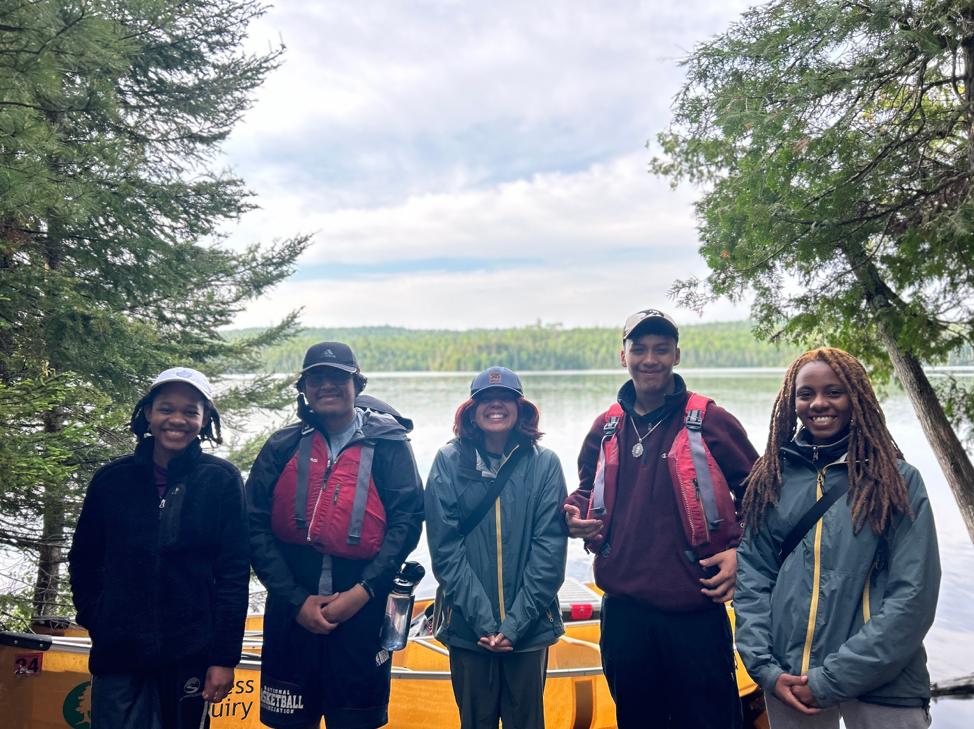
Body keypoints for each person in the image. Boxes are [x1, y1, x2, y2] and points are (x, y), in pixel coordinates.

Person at [563, 309, 758, 729]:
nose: (649, 359)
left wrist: (742, 554)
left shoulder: (710, 420)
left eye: (661, 349)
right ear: (623, 357)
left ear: (677, 355)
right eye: (639, 349)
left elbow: (763, 497)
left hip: (695, 613)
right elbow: (585, 490)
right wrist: (571, 515)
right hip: (624, 614)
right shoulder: (606, 427)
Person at [734, 347, 940, 728]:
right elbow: (752, 579)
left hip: (885, 684)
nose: (819, 403)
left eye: (834, 391)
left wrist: (831, 679)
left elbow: (913, 596)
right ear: (790, 401)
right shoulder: (772, 479)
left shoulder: (897, 480)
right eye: (805, 393)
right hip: (789, 680)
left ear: (857, 398)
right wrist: (765, 667)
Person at [247, 342, 424, 729]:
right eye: (317, 378)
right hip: (291, 611)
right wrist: (295, 600)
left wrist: (362, 593)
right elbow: (255, 526)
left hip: (363, 612)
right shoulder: (283, 446)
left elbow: (406, 522)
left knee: (356, 722)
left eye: (338, 377)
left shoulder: (390, 445)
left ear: (356, 384)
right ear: (304, 389)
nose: (327, 385)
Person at [69, 367, 249, 729]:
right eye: (167, 408)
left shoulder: (222, 481)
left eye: (190, 411)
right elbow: (84, 560)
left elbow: (232, 574)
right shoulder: (112, 481)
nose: (177, 420)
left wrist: (223, 658)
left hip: (190, 653)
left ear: (205, 418)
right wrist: (97, 616)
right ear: (148, 413)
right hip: (118, 651)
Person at [425, 366, 568, 729]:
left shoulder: (545, 464)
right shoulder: (448, 461)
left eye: (505, 398)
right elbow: (445, 549)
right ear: (471, 410)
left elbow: (548, 552)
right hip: (469, 631)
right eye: (485, 399)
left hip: (530, 629)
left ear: (521, 407)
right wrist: (486, 624)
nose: (495, 405)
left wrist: (515, 625)